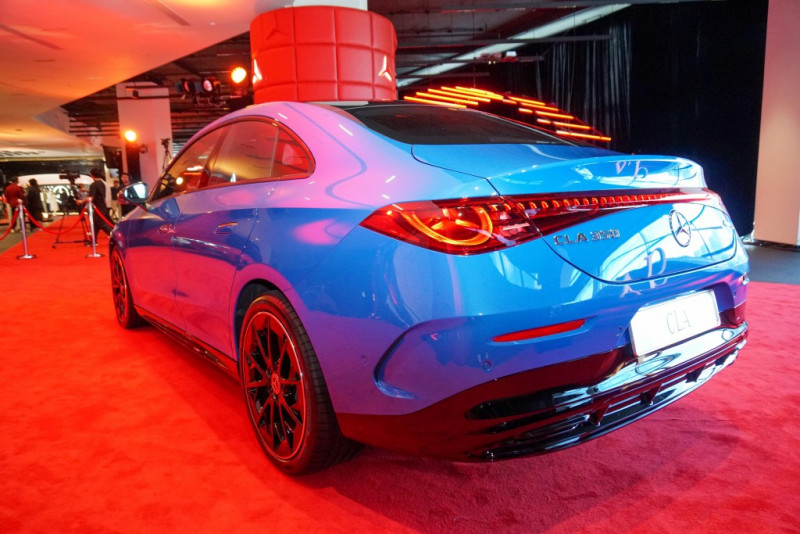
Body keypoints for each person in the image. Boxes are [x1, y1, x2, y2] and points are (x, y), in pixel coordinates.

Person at [80, 168, 113, 236]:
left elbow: (91, 197)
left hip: (97, 208)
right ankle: (93, 240)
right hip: (103, 206)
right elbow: (98, 193)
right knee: (96, 225)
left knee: (102, 224)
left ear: (92, 175)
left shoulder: (94, 184)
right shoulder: (103, 183)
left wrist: (81, 201)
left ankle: (115, 236)